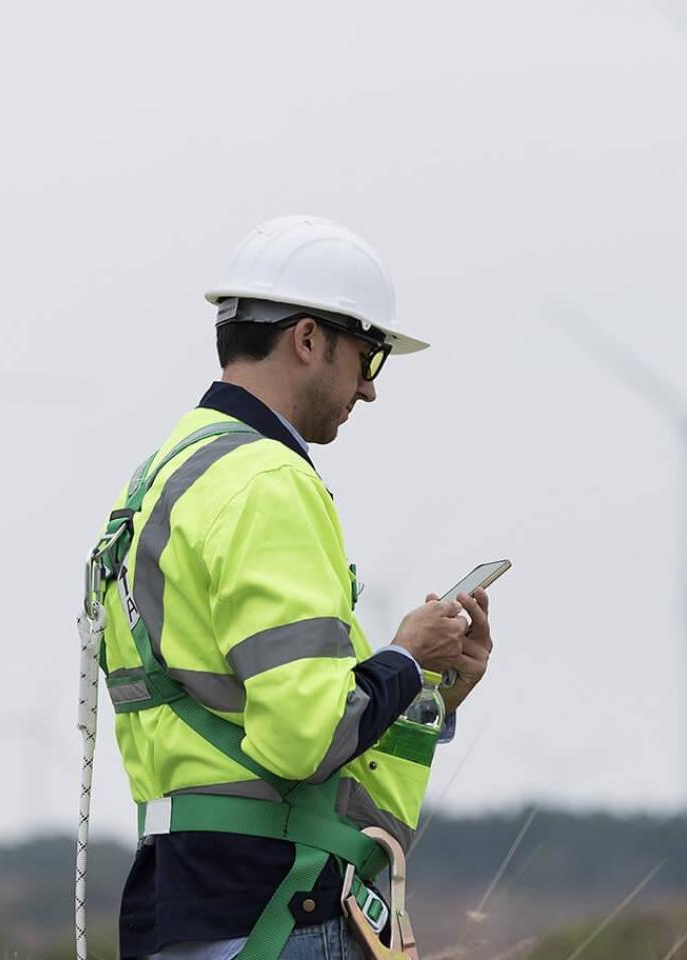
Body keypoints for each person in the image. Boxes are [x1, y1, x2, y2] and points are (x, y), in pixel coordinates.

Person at [89, 215, 495, 960]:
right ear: (308, 339)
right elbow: (305, 736)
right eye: (368, 356)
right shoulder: (270, 481)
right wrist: (406, 656)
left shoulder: (164, 476)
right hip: (276, 905)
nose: (369, 389)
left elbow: (238, 713)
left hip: (183, 903)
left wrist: (430, 691)